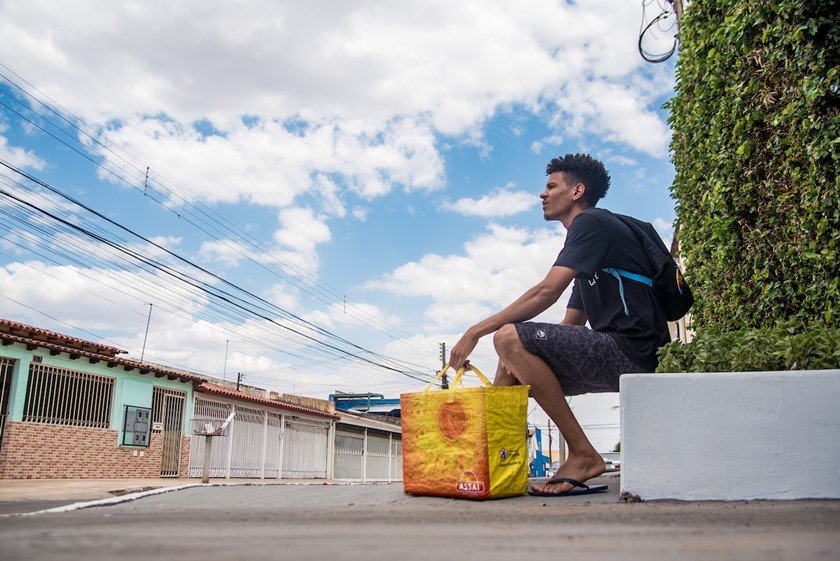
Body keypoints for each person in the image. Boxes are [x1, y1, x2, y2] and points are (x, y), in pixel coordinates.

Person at [448, 153, 671, 496]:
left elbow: (546, 292)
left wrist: (475, 332)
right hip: (624, 353)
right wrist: (523, 361)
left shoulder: (591, 223)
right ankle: (493, 462)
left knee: (508, 337)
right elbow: (571, 325)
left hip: (633, 351)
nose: (543, 194)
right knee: (513, 352)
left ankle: (583, 454)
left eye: (551, 186)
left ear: (577, 191)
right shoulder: (594, 248)